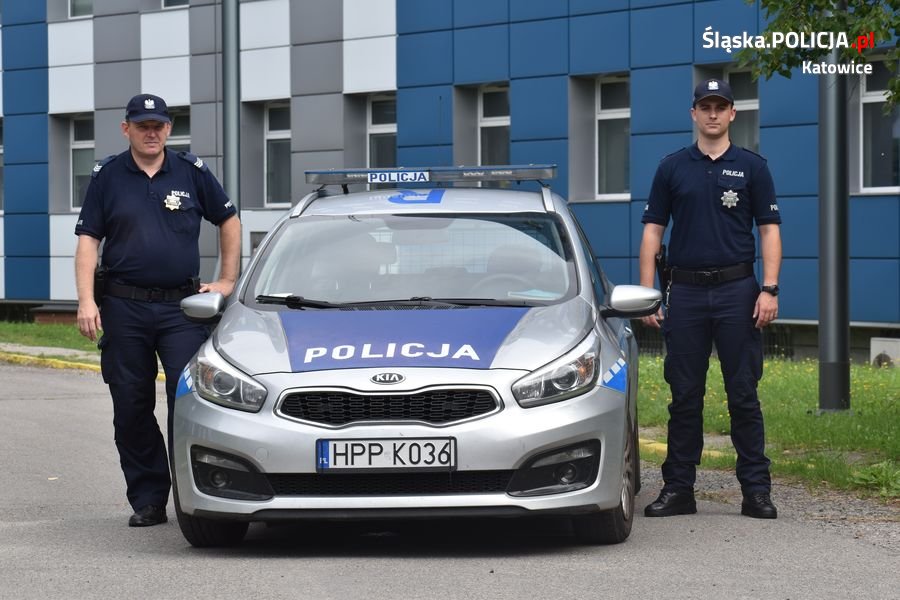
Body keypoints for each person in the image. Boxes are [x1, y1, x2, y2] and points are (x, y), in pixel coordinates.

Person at [74, 94, 241, 527]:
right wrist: (86, 300)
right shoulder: (108, 176)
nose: (152, 132)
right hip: (123, 306)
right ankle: (148, 498)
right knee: (130, 404)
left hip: (180, 311)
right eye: (143, 125)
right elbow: (89, 240)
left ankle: (194, 494)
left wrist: (226, 281)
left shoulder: (190, 172)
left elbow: (229, 220)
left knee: (188, 403)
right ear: (125, 128)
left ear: (169, 129)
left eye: (159, 125)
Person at [638, 79, 782, 520]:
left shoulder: (753, 167)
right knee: (684, 396)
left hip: (738, 292)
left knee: (743, 395)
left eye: (721, 107)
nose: (713, 114)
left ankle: (756, 492)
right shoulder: (672, 167)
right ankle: (679, 489)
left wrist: (769, 288)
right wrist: (647, 296)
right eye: (706, 107)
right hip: (684, 293)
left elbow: (769, 231)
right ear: (694, 114)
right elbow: (653, 232)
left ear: (733, 114)